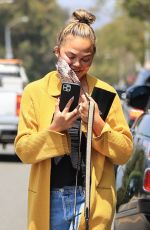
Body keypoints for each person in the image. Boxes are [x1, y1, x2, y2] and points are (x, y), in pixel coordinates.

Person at [14, 9, 133, 230]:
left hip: (93, 200)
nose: (77, 64)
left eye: (86, 59)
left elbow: (124, 152)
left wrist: (96, 122)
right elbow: (24, 151)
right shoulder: (36, 91)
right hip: (50, 200)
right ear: (57, 51)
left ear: (93, 57)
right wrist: (55, 128)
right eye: (70, 57)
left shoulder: (105, 93)